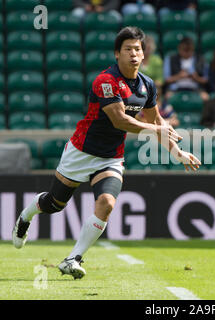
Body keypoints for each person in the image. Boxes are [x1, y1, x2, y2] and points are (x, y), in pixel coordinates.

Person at [12, 27, 200, 279]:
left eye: (138, 49)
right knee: (54, 204)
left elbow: (158, 123)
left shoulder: (147, 85)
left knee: (107, 203)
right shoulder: (106, 81)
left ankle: (73, 258)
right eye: (128, 49)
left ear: (143, 55)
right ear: (117, 54)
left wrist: (177, 153)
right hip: (81, 151)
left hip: (111, 157)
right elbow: (120, 121)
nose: (134, 54)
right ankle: (27, 215)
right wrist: (156, 126)